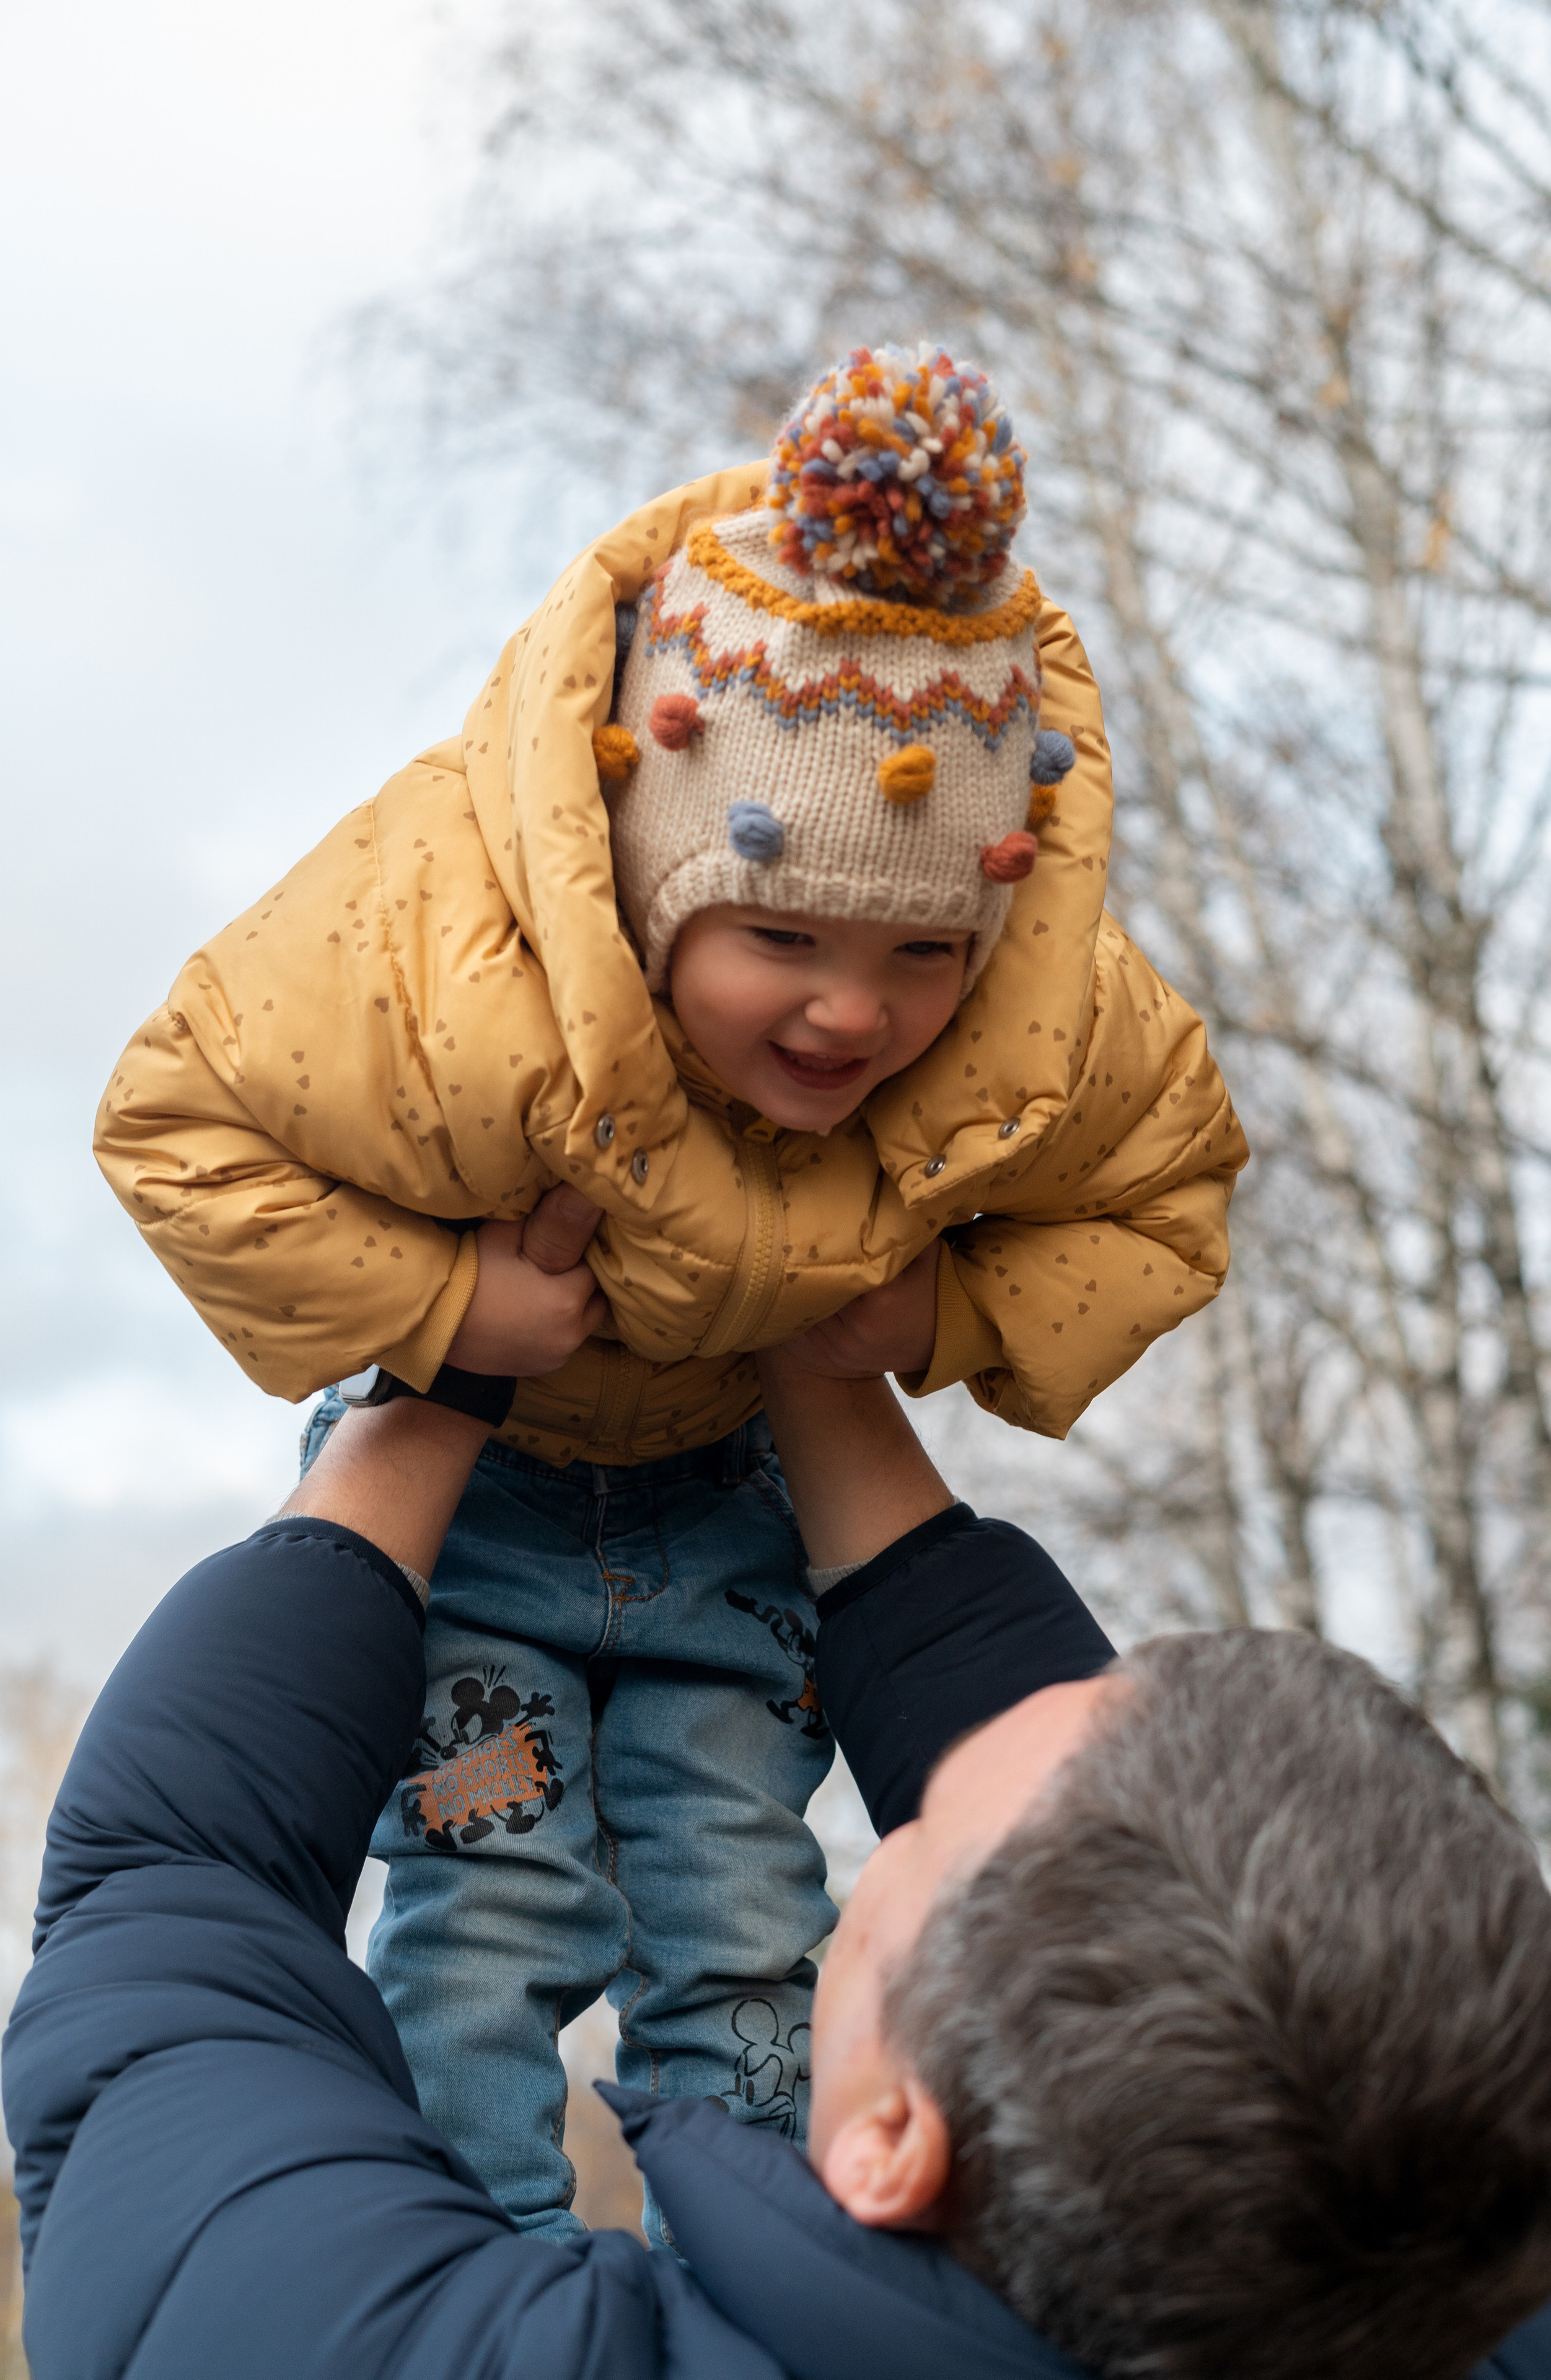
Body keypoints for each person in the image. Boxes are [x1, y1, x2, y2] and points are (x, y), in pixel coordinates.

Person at [91, 342, 1248, 2234]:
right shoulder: (448, 955)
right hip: (482, 1504)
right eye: (780, 935)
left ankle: (758, 2283)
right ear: (644, 877)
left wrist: (942, 1323)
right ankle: (469, 2272)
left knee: (742, 1910)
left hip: (740, 1507)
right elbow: (178, 1127)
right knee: (490, 1909)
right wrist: (448, 1309)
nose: (851, 1013)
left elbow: (1170, 1193)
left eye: (922, 953)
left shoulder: (1039, 1020)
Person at [4, 1362, 1551, 2380]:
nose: (914, 1789)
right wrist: (811, 1351)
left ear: (895, 2136)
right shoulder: (1440, 2274)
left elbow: (168, 1901)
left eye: (923, 1828)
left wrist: (433, 1392)